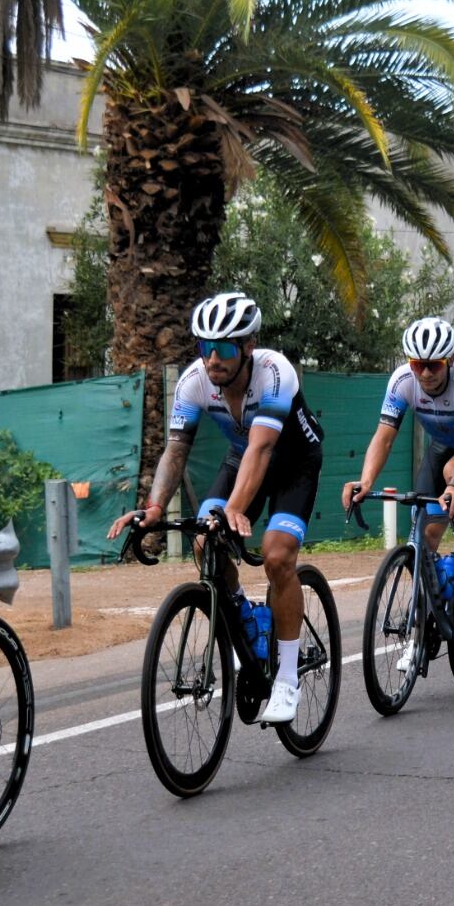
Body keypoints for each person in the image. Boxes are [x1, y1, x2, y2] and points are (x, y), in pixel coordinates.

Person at [107, 292, 322, 725]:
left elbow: (263, 450)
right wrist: (153, 507)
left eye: (223, 349)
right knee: (206, 544)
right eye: (204, 348)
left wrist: (232, 510)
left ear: (247, 347)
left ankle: (285, 679)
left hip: (293, 462)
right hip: (242, 458)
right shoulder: (193, 382)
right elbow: (176, 450)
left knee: (278, 557)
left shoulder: (274, 374)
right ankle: (243, 617)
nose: (212, 360)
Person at [343, 317, 454, 638]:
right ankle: (421, 627)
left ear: (451, 361)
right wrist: (366, 481)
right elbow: (384, 436)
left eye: (434, 365)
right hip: (443, 443)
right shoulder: (402, 380)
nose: (426, 373)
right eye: (418, 365)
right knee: (424, 536)